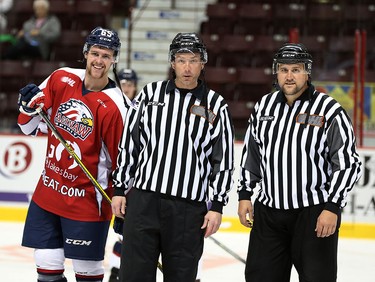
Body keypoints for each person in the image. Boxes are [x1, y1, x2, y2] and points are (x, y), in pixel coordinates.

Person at [111, 32, 235, 282]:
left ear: (203, 63)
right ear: (172, 62)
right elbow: (129, 144)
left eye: (193, 60)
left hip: (188, 210)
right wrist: (119, 188)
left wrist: (218, 205)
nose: (187, 67)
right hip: (144, 202)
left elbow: (223, 161)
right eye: (181, 60)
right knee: (133, 276)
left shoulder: (216, 105)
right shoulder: (150, 95)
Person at [237, 43, 362, 282]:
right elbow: (251, 154)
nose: (289, 76)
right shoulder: (264, 107)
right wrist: (244, 194)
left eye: (296, 69)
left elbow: (348, 163)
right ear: (277, 72)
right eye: (284, 69)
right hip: (269, 214)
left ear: (307, 72)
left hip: (313, 215)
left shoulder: (329, 110)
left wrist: (333, 206)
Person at [18, 26, 129, 282]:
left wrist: (125, 202)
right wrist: (26, 106)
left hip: (87, 203)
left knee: (87, 271)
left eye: (106, 55)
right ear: (86, 53)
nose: (99, 60)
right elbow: (28, 125)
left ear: (114, 59)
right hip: (48, 194)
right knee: (45, 264)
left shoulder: (117, 106)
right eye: (95, 53)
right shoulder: (61, 78)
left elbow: (123, 162)